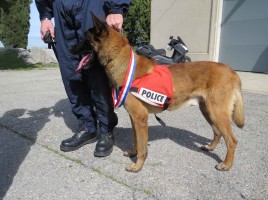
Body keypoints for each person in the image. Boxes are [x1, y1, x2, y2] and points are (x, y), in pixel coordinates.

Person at [35, 0, 131, 157]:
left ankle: (106, 129)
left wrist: (116, 8)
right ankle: (87, 127)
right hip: (61, 8)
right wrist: (45, 16)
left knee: (98, 71)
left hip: (93, 4)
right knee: (70, 70)